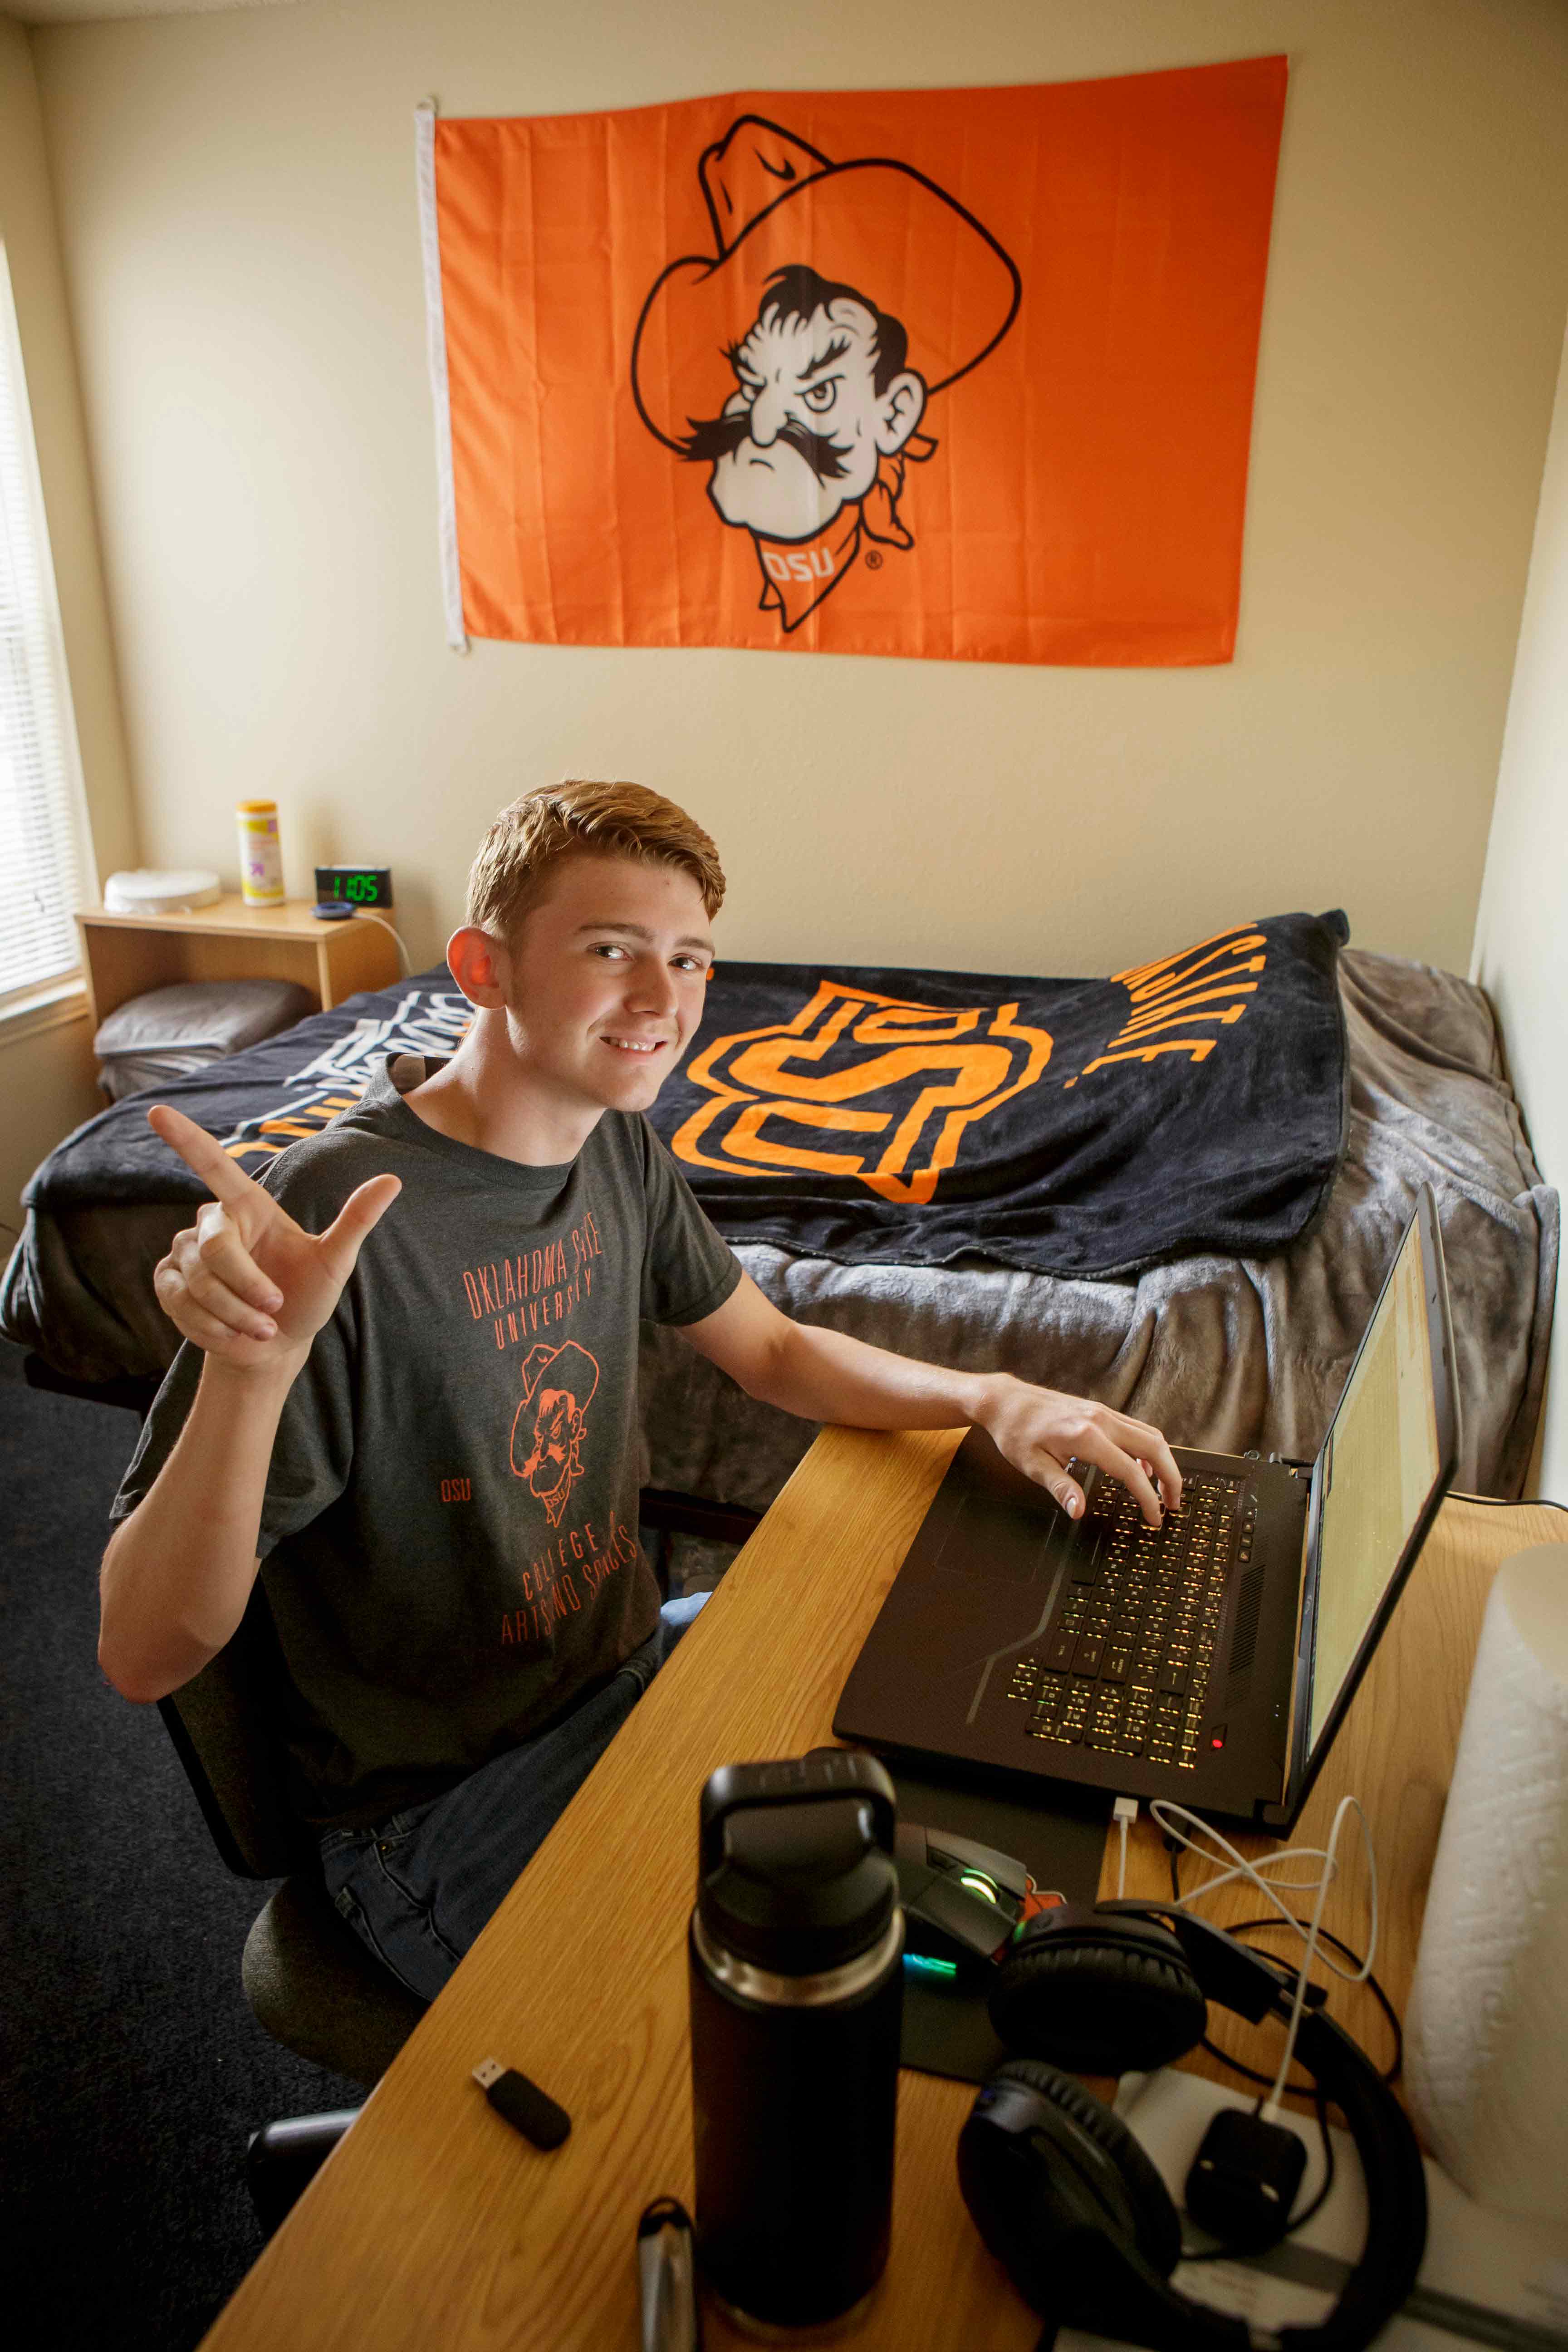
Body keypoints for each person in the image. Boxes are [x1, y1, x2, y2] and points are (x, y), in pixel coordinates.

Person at [99, 779, 1180, 2002]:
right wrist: (251, 1379)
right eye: (611, 950)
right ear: (483, 969)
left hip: (619, 1676)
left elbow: (770, 1352)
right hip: (440, 1808)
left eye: (691, 961)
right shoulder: (337, 1219)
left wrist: (987, 1392)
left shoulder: (610, 1139)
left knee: (956, 1796)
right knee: (819, 2021)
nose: (663, 1003)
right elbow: (143, 1652)